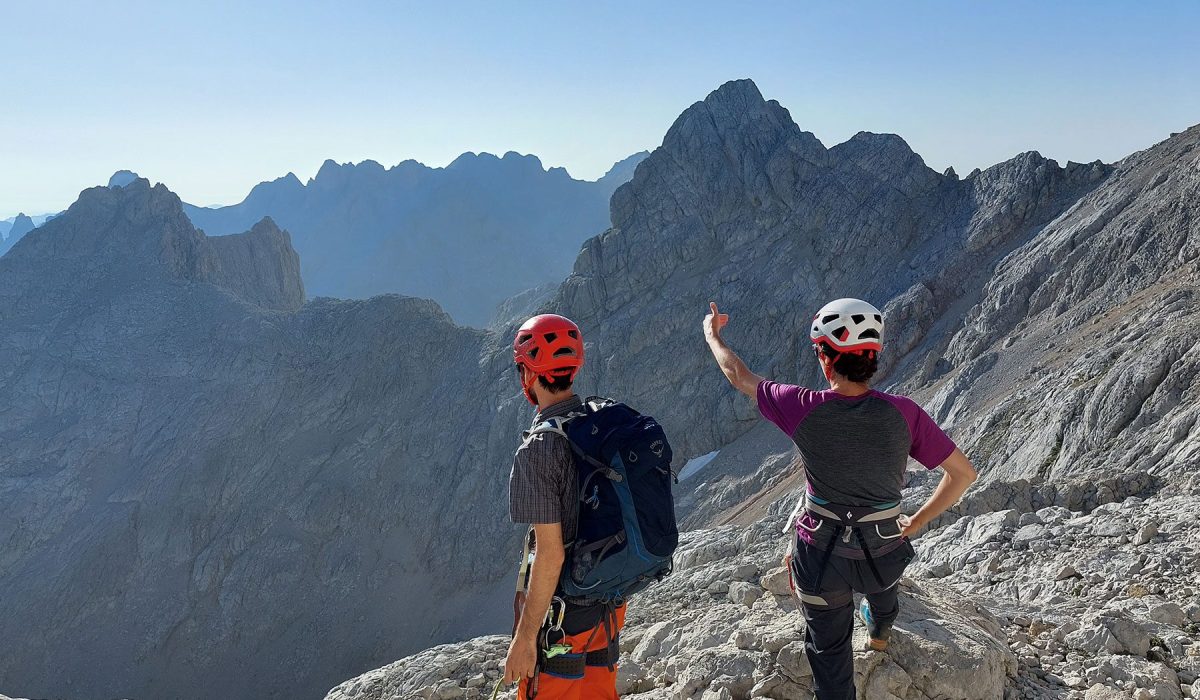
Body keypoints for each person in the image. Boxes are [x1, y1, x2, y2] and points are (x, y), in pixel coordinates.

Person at [702, 298, 977, 700]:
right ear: (872, 358)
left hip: (820, 558)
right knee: (884, 594)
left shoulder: (802, 407)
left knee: (829, 658)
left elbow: (737, 374)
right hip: (883, 552)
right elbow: (963, 474)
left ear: (824, 357)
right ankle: (880, 632)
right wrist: (915, 522)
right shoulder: (904, 413)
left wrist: (711, 331)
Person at [504, 313, 626, 700]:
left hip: (563, 622)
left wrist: (524, 640)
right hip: (608, 607)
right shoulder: (601, 421)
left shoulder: (539, 449)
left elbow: (551, 554)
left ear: (528, 375)